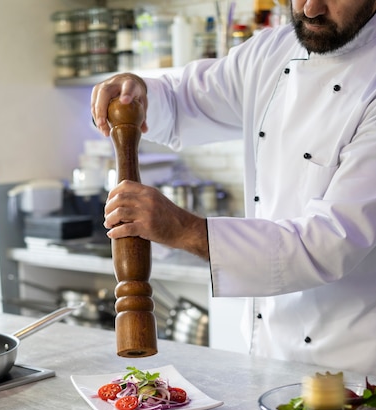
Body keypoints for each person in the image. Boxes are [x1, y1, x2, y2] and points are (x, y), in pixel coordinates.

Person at [91, 0, 376, 376]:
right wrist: (137, 93)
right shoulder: (270, 52)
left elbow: (329, 242)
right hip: (267, 355)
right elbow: (181, 102)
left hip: (355, 370)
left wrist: (183, 228)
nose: (309, 8)